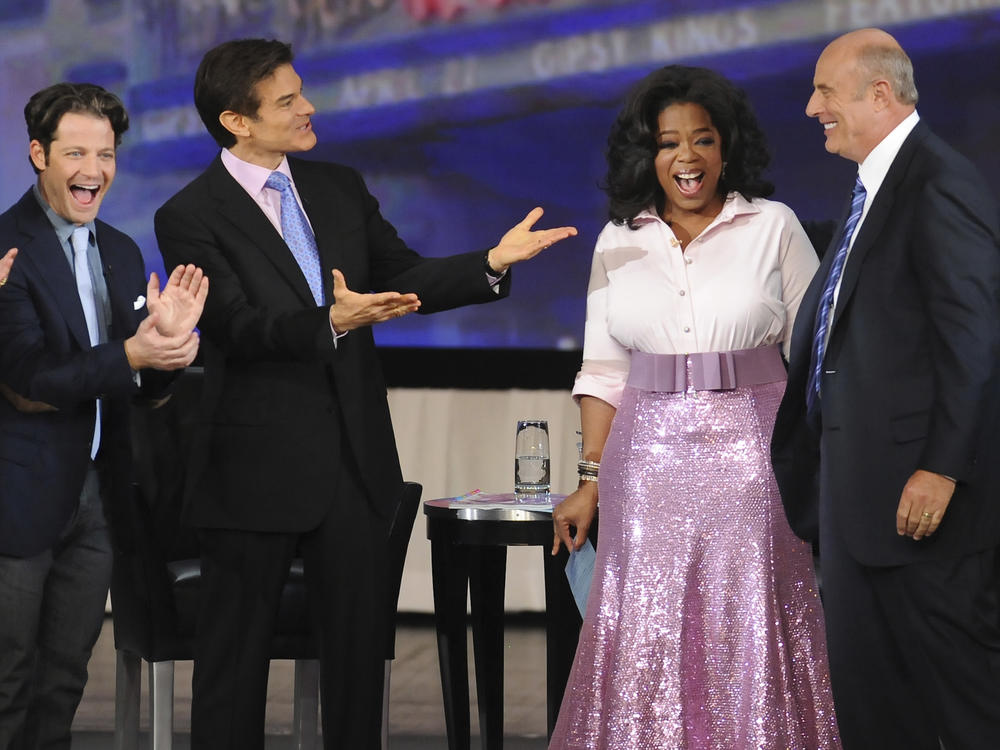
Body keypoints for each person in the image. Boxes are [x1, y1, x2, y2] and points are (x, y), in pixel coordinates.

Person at [153, 37, 576, 750]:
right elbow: (238, 326)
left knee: (356, 667)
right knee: (233, 671)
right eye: (287, 101)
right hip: (251, 471)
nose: (307, 107)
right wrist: (329, 322)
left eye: (301, 91)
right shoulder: (188, 214)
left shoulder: (338, 187)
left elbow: (405, 275)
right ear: (238, 121)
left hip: (354, 464)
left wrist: (490, 264)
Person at [550, 65, 841, 749]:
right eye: (668, 142)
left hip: (756, 458)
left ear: (727, 149)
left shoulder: (773, 225)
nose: (687, 158)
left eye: (703, 140)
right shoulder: (618, 239)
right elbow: (602, 372)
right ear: (645, 156)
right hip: (644, 465)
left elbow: (819, 354)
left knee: (751, 621)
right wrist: (589, 482)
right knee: (648, 628)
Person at [770, 28, 1000, 750]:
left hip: (924, 512)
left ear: (879, 94)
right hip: (860, 508)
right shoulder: (876, 185)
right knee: (875, 715)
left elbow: (975, 338)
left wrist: (941, 466)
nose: (811, 108)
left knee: (963, 707)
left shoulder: (938, 181)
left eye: (825, 93)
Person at [0, 83, 207, 749]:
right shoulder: (7, 249)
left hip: (98, 498)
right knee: (8, 680)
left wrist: (167, 357)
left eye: (107, 155)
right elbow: (27, 380)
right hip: (17, 496)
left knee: (64, 680)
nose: (94, 171)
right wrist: (134, 352)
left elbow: (136, 387)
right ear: (38, 154)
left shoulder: (120, 250)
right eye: (75, 153)